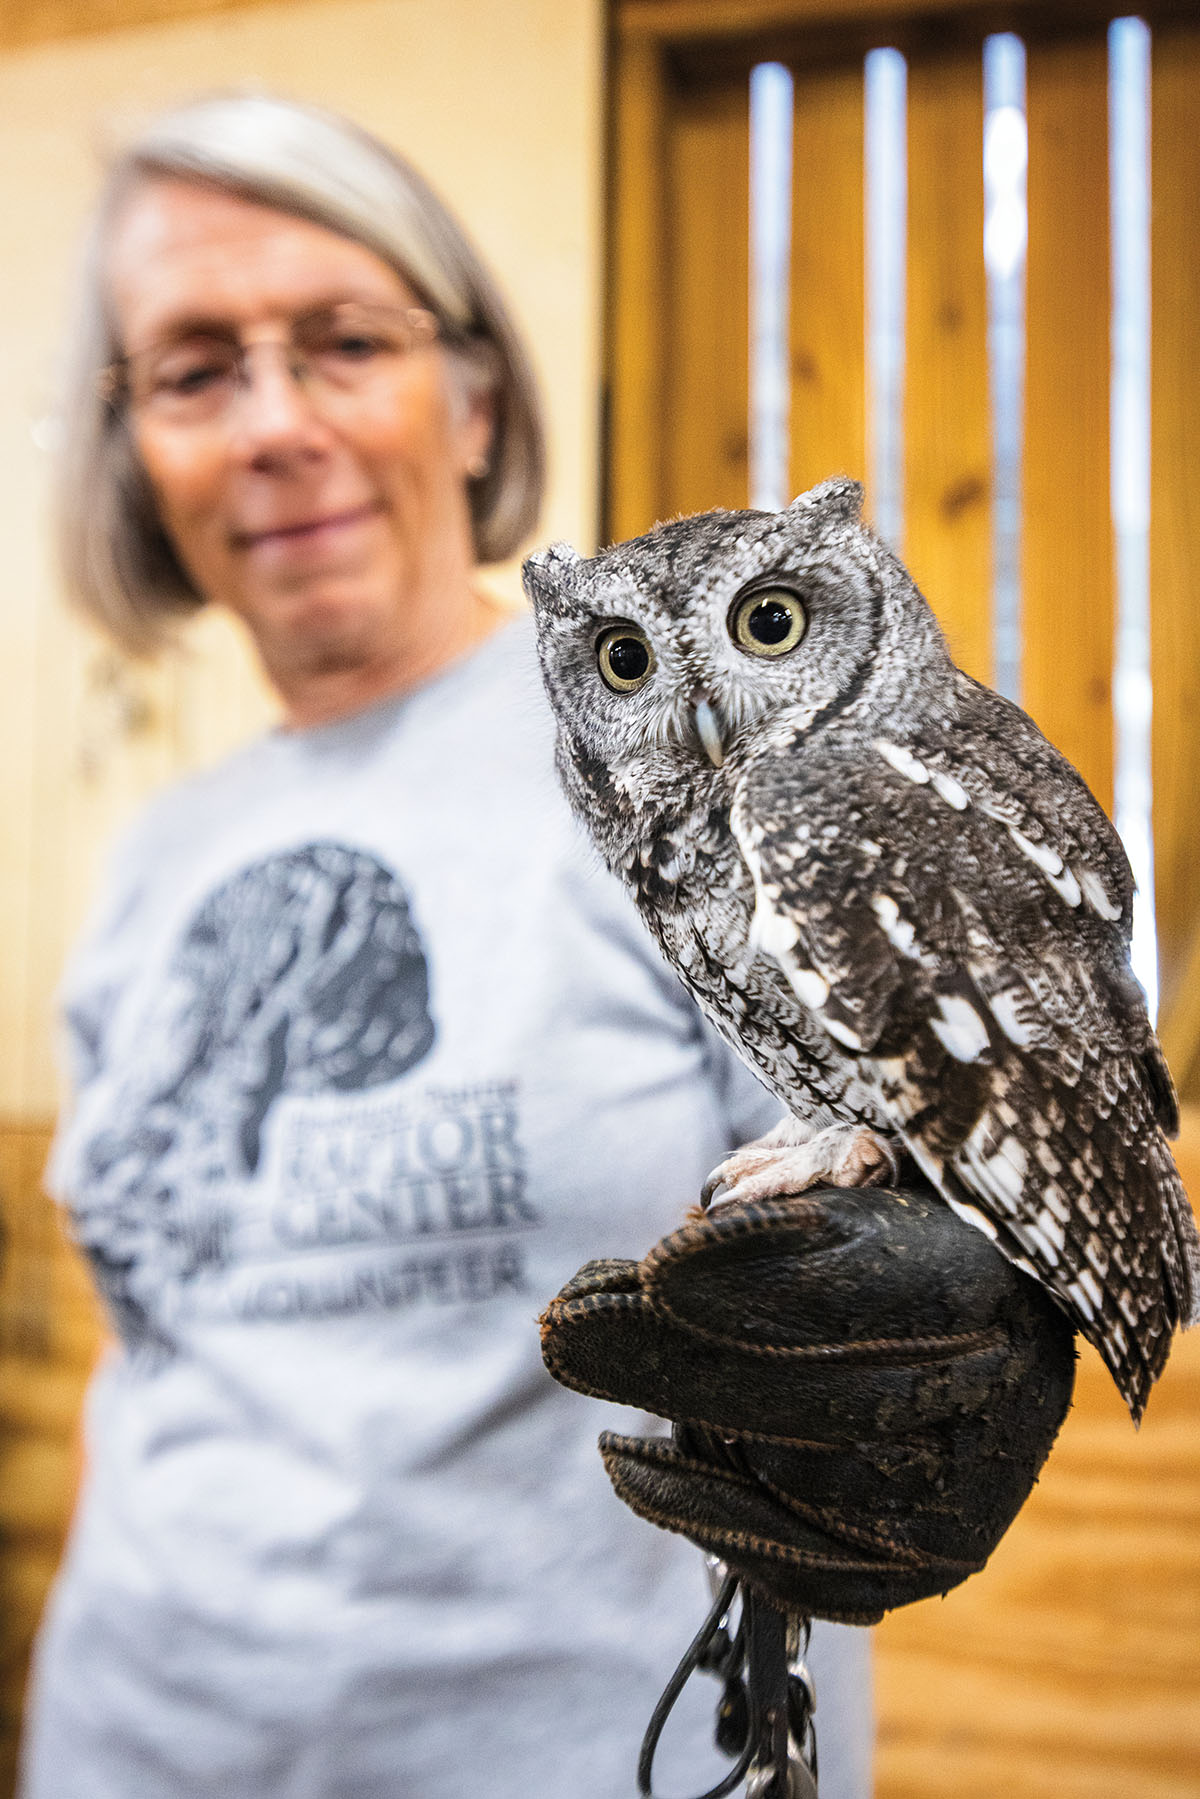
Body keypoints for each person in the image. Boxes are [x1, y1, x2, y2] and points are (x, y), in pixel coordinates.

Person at [21, 95, 873, 1799]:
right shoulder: (155, 860)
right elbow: (164, 1330)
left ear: (474, 401)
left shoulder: (684, 769)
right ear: (137, 456)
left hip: (590, 1753)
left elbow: (872, 1259)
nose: (274, 424)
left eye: (344, 341)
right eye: (193, 370)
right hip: (145, 1736)